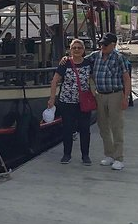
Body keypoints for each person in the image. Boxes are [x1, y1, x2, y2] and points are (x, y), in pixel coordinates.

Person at [86, 32, 131, 170]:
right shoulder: (95, 56)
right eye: (101, 44)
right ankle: (109, 154)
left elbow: (126, 78)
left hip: (115, 94)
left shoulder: (119, 58)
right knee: (103, 126)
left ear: (113, 45)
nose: (102, 47)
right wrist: (66, 58)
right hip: (100, 95)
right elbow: (79, 60)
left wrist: (126, 97)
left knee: (116, 126)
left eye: (105, 45)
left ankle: (119, 158)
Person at [48, 38, 93, 165]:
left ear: (84, 50)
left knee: (84, 129)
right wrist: (52, 98)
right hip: (67, 101)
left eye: (79, 48)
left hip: (83, 102)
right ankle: (67, 154)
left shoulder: (89, 63)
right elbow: (55, 81)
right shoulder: (65, 63)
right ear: (70, 50)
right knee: (67, 129)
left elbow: (94, 79)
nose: (77, 50)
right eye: (74, 48)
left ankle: (85, 155)